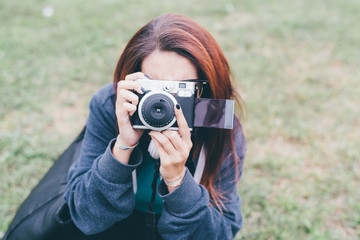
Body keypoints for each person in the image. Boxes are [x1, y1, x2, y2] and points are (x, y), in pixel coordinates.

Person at [64, 13, 247, 240]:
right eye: (154, 87)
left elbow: (220, 233)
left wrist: (178, 180)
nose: (164, 102)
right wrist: (122, 147)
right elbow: (85, 216)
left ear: (204, 90)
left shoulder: (217, 121)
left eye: (181, 89)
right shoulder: (113, 105)